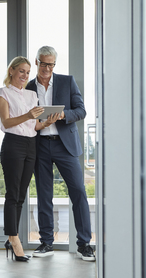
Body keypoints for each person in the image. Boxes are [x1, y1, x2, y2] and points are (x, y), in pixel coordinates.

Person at [26, 46, 95, 261]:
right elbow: (25, 118)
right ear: (36, 62)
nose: (47, 68)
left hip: (65, 145)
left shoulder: (67, 81)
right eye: (44, 63)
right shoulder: (28, 88)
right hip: (39, 145)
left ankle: (84, 243)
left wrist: (64, 114)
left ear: (55, 64)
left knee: (78, 192)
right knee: (44, 195)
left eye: (51, 64)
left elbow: (82, 110)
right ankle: (46, 243)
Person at [0, 56, 56, 262]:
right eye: (21, 71)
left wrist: (46, 122)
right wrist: (29, 116)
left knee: (21, 194)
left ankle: (12, 236)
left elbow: (34, 126)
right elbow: (7, 121)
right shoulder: (2, 93)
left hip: (31, 145)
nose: (25, 75)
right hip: (13, 144)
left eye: (28, 72)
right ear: (11, 71)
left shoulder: (31, 95)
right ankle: (14, 238)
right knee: (13, 193)